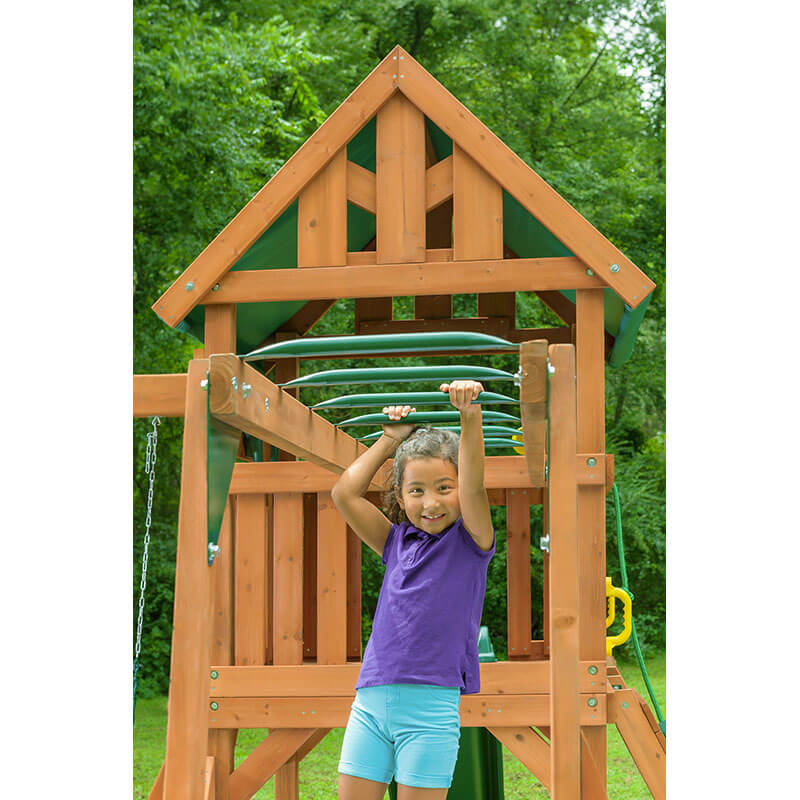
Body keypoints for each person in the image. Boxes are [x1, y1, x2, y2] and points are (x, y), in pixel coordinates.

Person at [332, 380, 496, 800]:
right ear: (400, 497)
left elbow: (475, 487)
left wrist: (469, 416)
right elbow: (345, 493)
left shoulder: (470, 542)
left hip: (430, 709)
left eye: (444, 488)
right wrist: (388, 442)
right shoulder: (394, 542)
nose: (431, 503)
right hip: (370, 702)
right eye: (416, 491)